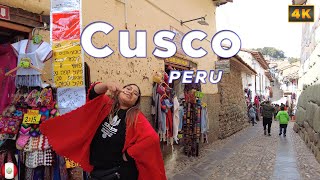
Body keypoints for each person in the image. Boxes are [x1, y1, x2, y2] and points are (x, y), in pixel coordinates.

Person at [40, 82, 167, 180]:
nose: (130, 92)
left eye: (135, 93)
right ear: (120, 90)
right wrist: (106, 85)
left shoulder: (135, 116)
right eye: (128, 88)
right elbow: (94, 92)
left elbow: (152, 138)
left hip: (118, 172)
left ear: (136, 101)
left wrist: (128, 154)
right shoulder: (106, 104)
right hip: (97, 169)